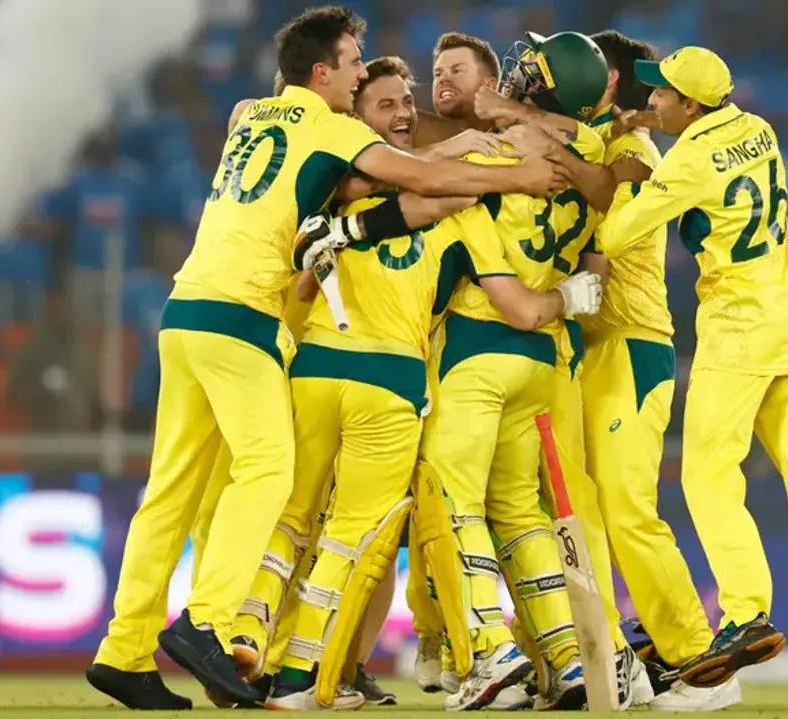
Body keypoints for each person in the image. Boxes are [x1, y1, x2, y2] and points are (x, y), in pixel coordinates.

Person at [86, 6, 566, 710]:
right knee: (267, 472)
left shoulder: (253, 115)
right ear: (321, 72)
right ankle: (206, 622)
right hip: (244, 317)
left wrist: (458, 152)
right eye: (351, 63)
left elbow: (374, 185)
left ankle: (124, 651)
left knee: (169, 492)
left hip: (185, 311)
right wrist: (516, 175)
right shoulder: (331, 128)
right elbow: (419, 180)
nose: (357, 75)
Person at [224, 54, 602, 712]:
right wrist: (566, 287)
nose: (405, 112)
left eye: (407, 100)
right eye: (389, 104)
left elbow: (306, 282)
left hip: (321, 364)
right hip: (408, 378)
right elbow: (496, 230)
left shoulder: (331, 189)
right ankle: (303, 677)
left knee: (293, 514)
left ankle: (250, 632)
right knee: (359, 536)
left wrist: (350, 218)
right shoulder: (469, 200)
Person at [593, 45, 788, 695]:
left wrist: (618, 176)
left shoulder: (687, 161)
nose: (653, 98)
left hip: (737, 330)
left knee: (708, 476)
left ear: (691, 104)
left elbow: (617, 235)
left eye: (662, 94)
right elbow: (702, 144)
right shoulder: (757, 129)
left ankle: (744, 614)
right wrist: (650, 126)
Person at [473, 29, 739, 712]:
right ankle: (602, 656)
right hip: (578, 346)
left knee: (624, 506)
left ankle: (701, 662)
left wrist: (522, 115)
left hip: (633, 341)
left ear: (605, 83)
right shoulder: (589, 139)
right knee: (572, 510)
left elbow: (613, 199)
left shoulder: (635, 148)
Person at [414, 30, 612, 712]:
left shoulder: (491, 154)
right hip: (539, 364)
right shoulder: (588, 156)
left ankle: (489, 647)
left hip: (479, 346)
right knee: (520, 512)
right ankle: (567, 656)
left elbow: (417, 175)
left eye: (530, 64)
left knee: (453, 502)